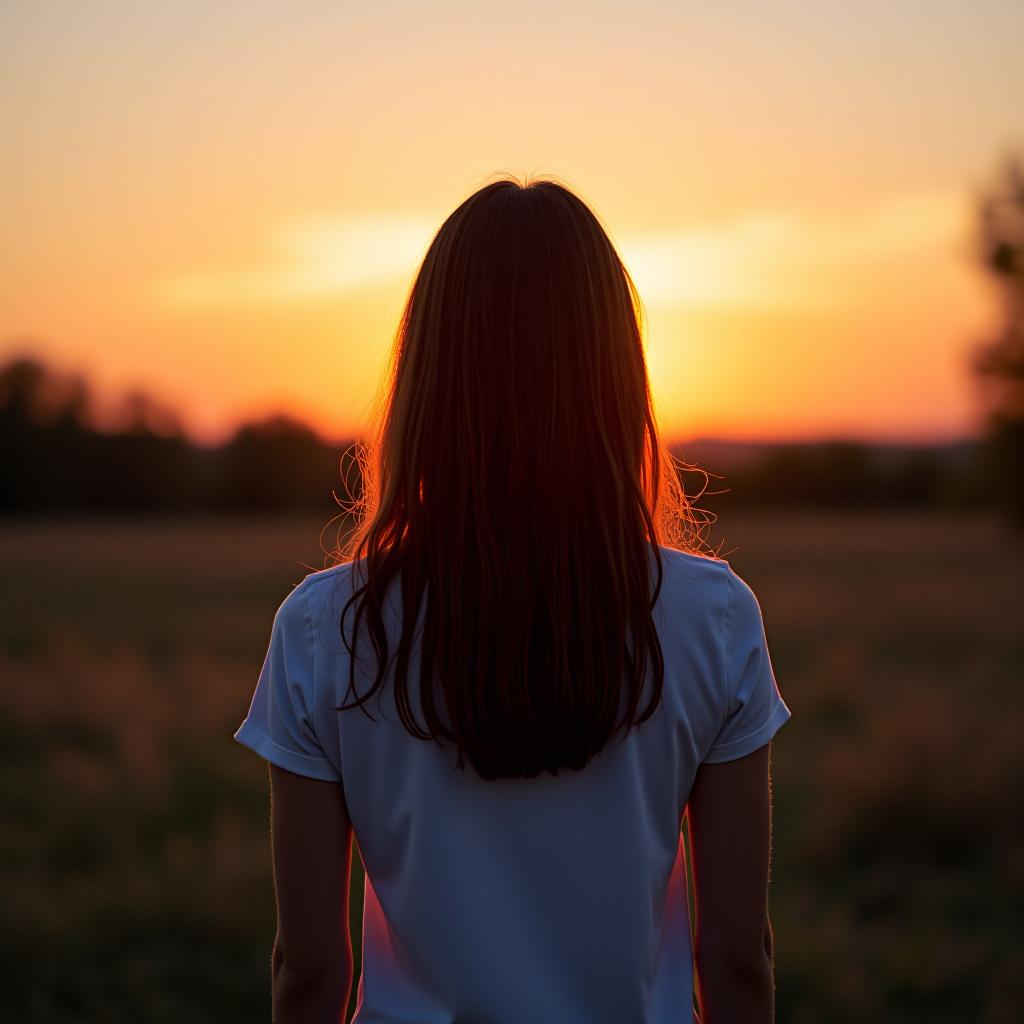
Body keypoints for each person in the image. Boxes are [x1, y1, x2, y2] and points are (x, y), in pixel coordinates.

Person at [234, 174, 792, 1023]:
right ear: (614, 371)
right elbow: (738, 958)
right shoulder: (715, 617)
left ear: (428, 372)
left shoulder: (322, 629)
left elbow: (308, 972)